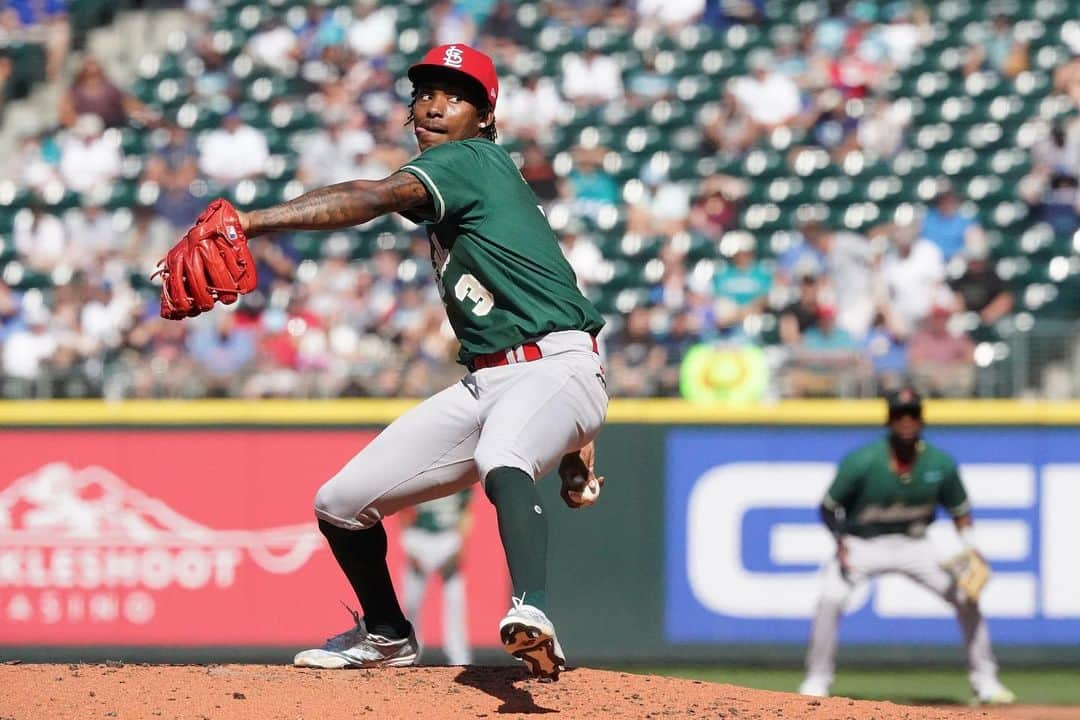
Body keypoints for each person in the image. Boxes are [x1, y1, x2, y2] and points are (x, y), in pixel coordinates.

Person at [193, 44, 607, 679]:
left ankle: (532, 612)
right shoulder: (476, 185)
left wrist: (251, 222)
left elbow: (372, 195)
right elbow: (559, 293)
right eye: (425, 92)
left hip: (554, 368)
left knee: (503, 455)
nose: (435, 105)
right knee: (340, 502)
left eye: (456, 94)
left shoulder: (472, 159)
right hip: (498, 377)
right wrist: (578, 444)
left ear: (486, 116)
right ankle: (387, 634)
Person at [798, 389, 1016, 706]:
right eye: (900, 415)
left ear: (921, 420)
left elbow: (960, 512)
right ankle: (817, 679)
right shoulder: (863, 461)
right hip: (863, 544)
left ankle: (986, 681)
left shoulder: (939, 464)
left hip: (915, 544)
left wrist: (972, 548)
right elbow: (829, 508)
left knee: (966, 597)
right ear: (889, 420)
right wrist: (841, 544)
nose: (906, 421)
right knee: (830, 598)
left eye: (912, 414)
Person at [400, 489, 474, 666]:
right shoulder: (419, 473)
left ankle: (459, 657)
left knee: (455, 600)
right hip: (419, 537)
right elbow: (402, 509)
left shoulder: (460, 473)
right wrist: (408, 546)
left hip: (449, 538)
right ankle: (410, 654)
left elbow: (465, 511)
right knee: (411, 602)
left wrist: (461, 546)